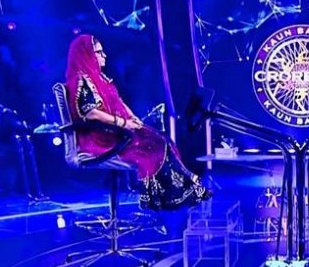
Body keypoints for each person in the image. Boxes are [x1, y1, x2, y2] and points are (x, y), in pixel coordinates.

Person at [64, 34, 211, 210]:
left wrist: (132, 117)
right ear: (87, 54)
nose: (104, 55)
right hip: (99, 137)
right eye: (99, 52)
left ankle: (181, 191)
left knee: (162, 140)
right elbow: (90, 113)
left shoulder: (100, 78)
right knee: (151, 147)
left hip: (114, 131)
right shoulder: (82, 81)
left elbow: (118, 101)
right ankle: (158, 197)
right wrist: (123, 123)